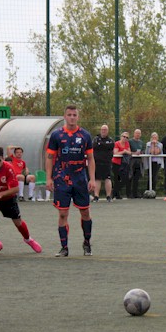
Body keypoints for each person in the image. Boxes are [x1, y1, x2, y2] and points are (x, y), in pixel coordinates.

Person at [46, 104, 96, 257]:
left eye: (74, 115)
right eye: (69, 115)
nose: (72, 117)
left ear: (78, 117)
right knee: (62, 214)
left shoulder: (85, 136)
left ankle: (87, 243)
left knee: (85, 212)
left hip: (80, 179)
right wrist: (49, 178)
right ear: (64, 116)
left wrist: (92, 179)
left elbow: (91, 159)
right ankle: (64, 247)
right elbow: (49, 158)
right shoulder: (56, 135)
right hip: (61, 178)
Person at [92, 124, 114, 202]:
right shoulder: (96, 139)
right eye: (102, 129)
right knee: (97, 179)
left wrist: (101, 145)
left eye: (105, 129)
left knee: (107, 179)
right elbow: (94, 146)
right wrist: (103, 146)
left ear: (107, 131)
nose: (103, 131)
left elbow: (110, 146)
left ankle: (108, 196)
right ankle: (96, 196)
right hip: (97, 162)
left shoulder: (110, 140)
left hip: (107, 163)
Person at [111, 131, 131, 200]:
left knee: (124, 179)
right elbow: (116, 153)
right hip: (116, 163)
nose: (125, 138)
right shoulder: (116, 143)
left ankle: (114, 192)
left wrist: (125, 151)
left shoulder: (127, 143)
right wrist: (123, 151)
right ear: (121, 137)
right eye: (124, 136)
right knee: (116, 179)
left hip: (123, 164)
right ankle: (116, 194)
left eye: (127, 137)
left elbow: (129, 152)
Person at [128, 128, 145, 198]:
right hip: (131, 161)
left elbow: (143, 151)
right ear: (134, 134)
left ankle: (135, 193)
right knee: (130, 177)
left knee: (137, 178)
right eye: (136, 133)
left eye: (139, 133)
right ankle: (129, 193)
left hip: (139, 162)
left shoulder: (141, 142)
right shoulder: (130, 141)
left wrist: (141, 153)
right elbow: (128, 150)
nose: (137, 134)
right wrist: (134, 153)